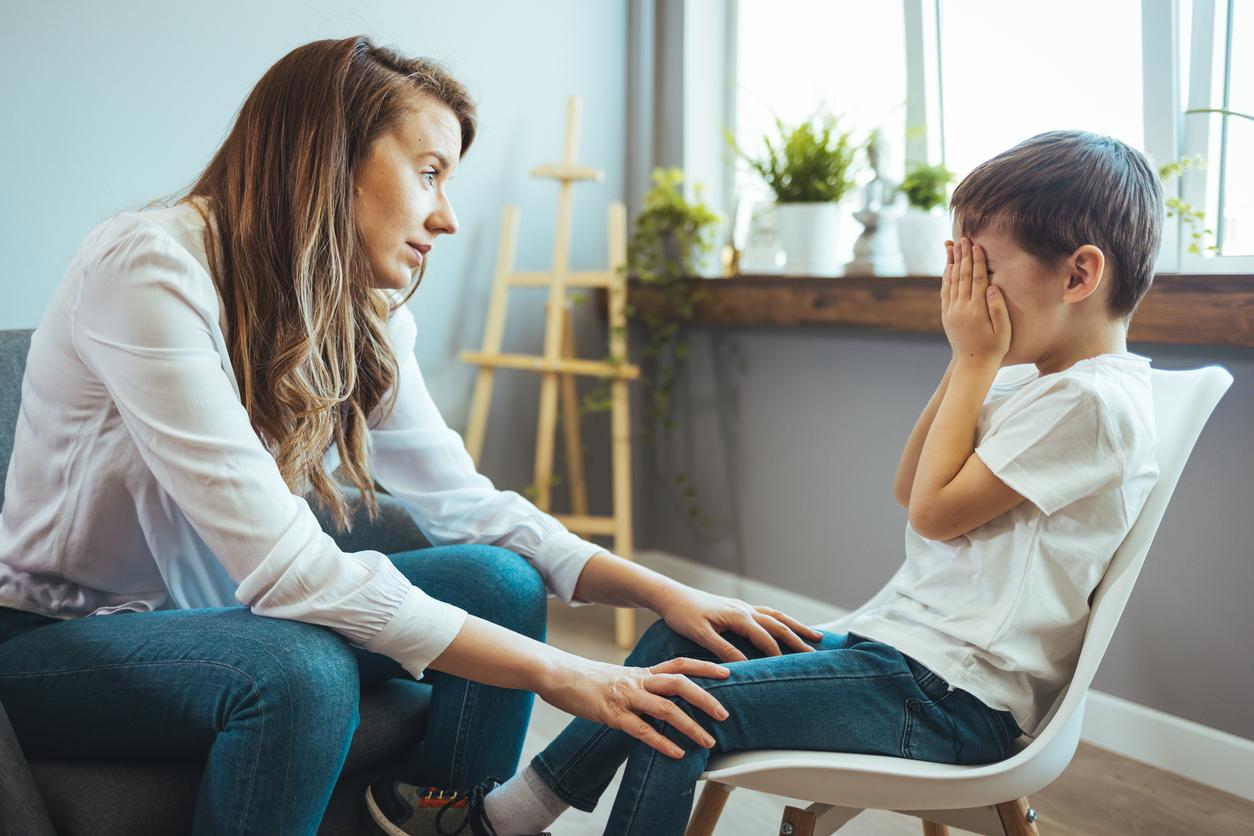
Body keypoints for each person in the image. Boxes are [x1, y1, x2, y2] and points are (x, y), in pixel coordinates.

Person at [0, 36, 820, 836]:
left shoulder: (361, 310)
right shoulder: (147, 266)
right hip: (59, 641)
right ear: (326, 157)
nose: (448, 217)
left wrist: (664, 591)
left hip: (219, 615)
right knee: (303, 675)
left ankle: (447, 821)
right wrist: (571, 675)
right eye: (428, 173)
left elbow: (466, 505)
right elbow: (289, 572)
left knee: (499, 578)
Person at [414, 130, 1163, 836]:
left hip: (956, 700)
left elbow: (933, 514)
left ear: (1080, 274)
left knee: (683, 704)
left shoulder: (1094, 403)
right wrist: (970, 360)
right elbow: (911, 486)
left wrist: (975, 364)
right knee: (693, 629)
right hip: (897, 658)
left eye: (986, 271)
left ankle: (505, 818)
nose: (971, 295)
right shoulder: (1034, 385)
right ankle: (519, 812)